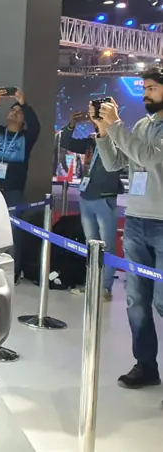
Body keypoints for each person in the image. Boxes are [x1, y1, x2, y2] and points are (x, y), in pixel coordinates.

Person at [93, 66, 163, 392]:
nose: (146, 93)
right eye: (145, 88)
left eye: (151, 88)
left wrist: (117, 126)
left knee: (162, 302)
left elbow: (149, 157)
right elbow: (116, 164)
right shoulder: (140, 125)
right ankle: (145, 366)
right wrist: (104, 133)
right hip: (135, 221)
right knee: (136, 300)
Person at [60, 111, 125, 301]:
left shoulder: (117, 142)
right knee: (91, 245)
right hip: (86, 196)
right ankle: (92, 284)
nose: (95, 122)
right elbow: (67, 143)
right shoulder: (90, 142)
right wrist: (71, 124)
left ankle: (105, 288)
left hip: (105, 197)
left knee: (107, 246)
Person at [0, 87, 41, 281]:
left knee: (13, 232)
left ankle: (12, 272)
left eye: (19, 112)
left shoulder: (26, 138)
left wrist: (24, 104)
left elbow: (36, 126)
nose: (15, 113)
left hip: (13, 191)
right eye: (12, 110)